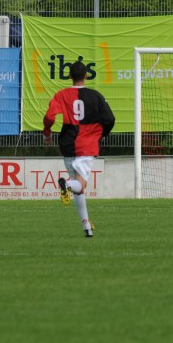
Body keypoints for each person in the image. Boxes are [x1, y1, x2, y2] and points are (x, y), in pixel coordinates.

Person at [43, 61, 115, 238]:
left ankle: (86, 226)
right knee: (79, 184)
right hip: (86, 144)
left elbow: (49, 116)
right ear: (86, 75)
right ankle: (65, 184)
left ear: (69, 76)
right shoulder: (95, 95)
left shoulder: (61, 94)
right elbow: (110, 119)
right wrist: (102, 134)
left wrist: (47, 133)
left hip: (67, 143)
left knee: (79, 188)